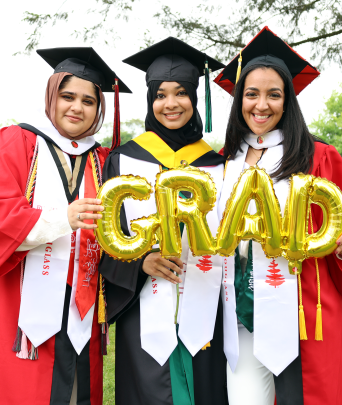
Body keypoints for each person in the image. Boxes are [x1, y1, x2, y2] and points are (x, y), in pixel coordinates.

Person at [214, 27, 342, 405]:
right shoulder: (225, 164)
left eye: (274, 95)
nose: (262, 105)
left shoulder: (317, 157)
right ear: (239, 99)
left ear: (287, 100)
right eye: (252, 94)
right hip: (242, 316)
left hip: (304, 313)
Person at [0, 47, 131, 405]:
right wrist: (63, 219)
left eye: (89, 101)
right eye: (68, 96)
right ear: (51, 96)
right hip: (19, 301)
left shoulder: (103, 160)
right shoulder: (15, 143)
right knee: (16, 390)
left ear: (99, 109)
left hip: (81, 302)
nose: (77, 107)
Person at [98, 37, 228, 405]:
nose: (170, 104)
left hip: (207, 303)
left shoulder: (218, 165)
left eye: (181, 93)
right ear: (150, 100)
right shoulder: (123, 161)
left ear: (196, 98)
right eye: (160, 94)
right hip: (144, 304)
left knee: (205, 386)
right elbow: (104, 238)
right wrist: (140, 261)